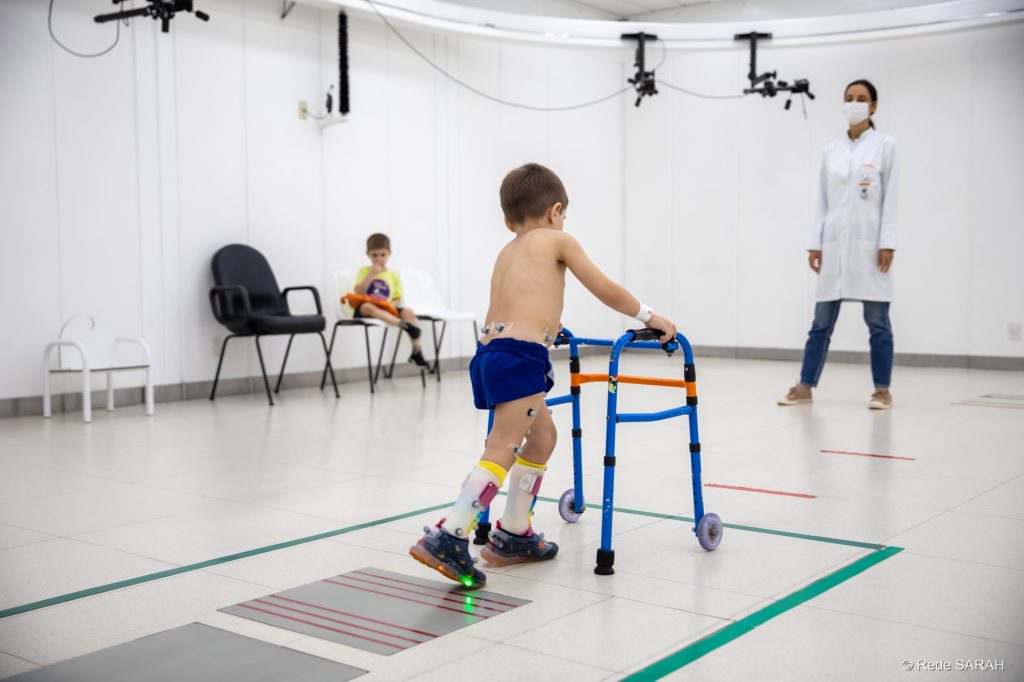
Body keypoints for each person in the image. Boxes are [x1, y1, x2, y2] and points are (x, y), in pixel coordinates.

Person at [409, 163, 677, 587]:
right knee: (503, 446)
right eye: (563, 216)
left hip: (491, 353)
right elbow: (603, 287)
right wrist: (649, 316)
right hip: (520, 357)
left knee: (543, 437)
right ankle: (450, 534)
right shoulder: (559, 240)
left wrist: (549, 330)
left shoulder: (508, 249)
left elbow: (523, 303)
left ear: (507, 219)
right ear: (556, 211)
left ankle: (514, 533)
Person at [779, 79, 900, 410]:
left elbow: (891, 198)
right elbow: (822, 200)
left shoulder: (885, 146)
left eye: (861, 99)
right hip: (833, 247)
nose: (854, 103)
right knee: (820, 323)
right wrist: (815, 243)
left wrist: (887, 242)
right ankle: (804, 387)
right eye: (849, 98)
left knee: (878, 323)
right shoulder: (831, 150)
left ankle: (882, 390)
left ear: (873, 106)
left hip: (870, 245)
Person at [352, 233, 429, 368]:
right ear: (368, 254)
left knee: (408, 312)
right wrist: (371, 274)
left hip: (387, 308)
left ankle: (417, 351)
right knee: (367, 306)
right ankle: (405, 326)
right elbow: (359, 291)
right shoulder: (364, 271)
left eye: (382, 255)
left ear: (389, 254)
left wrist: (391, 306)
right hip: (369, 308)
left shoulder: (393, 274)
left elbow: (397, 298)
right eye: (374, 255)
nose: (379, 259)